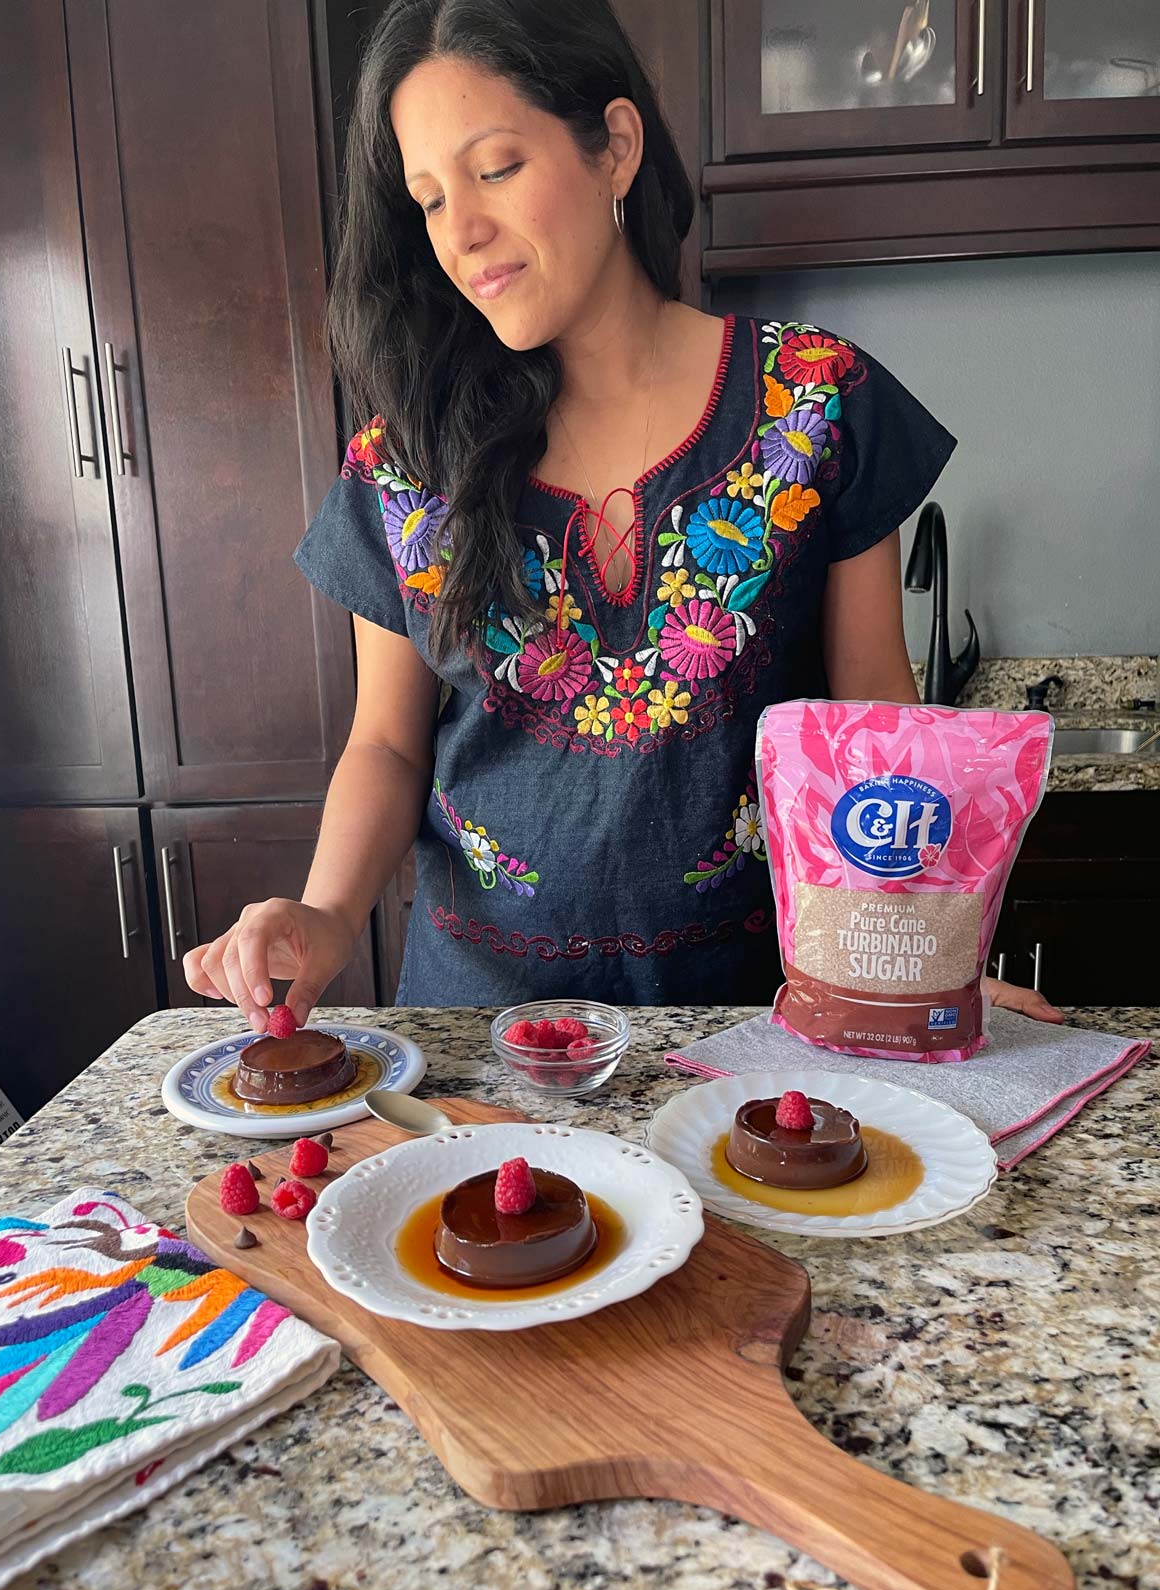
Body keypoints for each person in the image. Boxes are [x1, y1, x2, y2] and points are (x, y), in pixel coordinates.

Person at [184, 0, 1061, 1033]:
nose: (460, 232)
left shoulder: (813, 404)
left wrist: (918, 964)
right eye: (426, 199)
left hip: (750, 1028)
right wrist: (325, 914)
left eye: (496, 168)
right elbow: (386, 742)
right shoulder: (407, 456)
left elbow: (873, 714)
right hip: (488, 1039)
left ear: (614, 147)